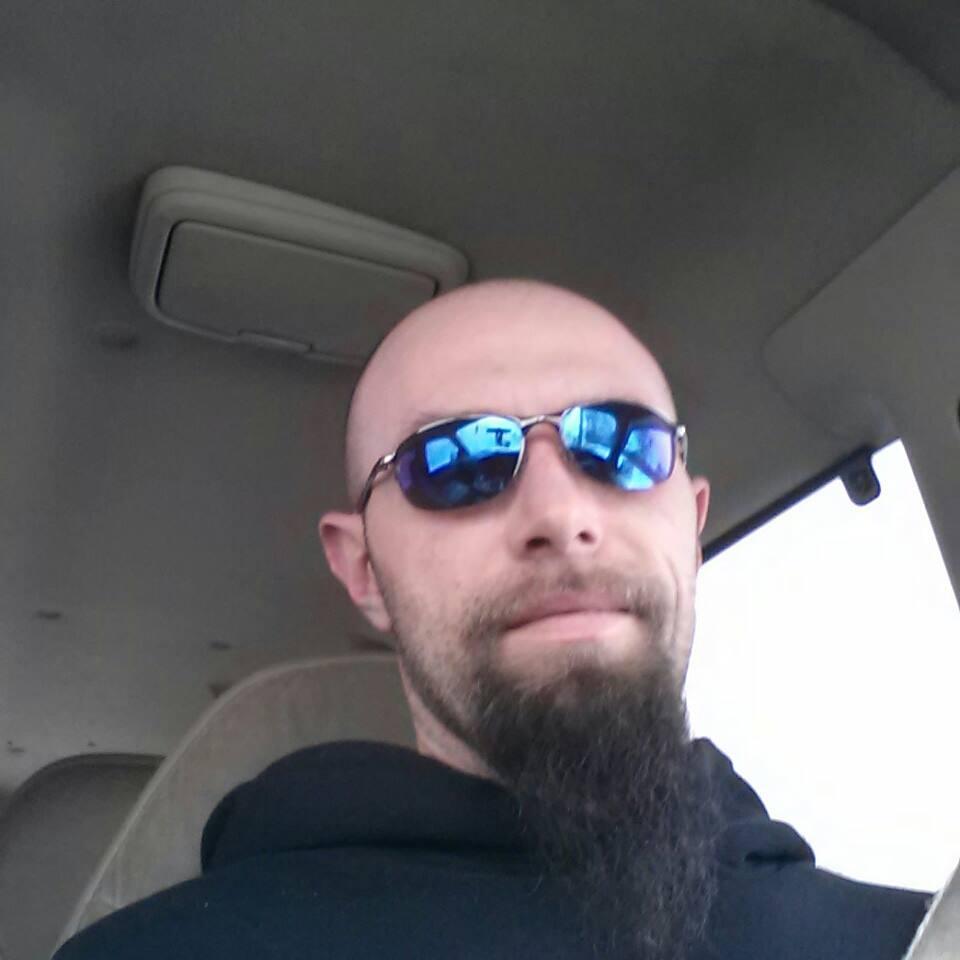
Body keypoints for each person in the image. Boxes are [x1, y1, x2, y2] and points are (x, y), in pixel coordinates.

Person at [56, 279, 930, 959]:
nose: (561, 513)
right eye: (455, 461)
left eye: (620, 443)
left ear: (691, 525)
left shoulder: (916, 942)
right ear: (362, 567)